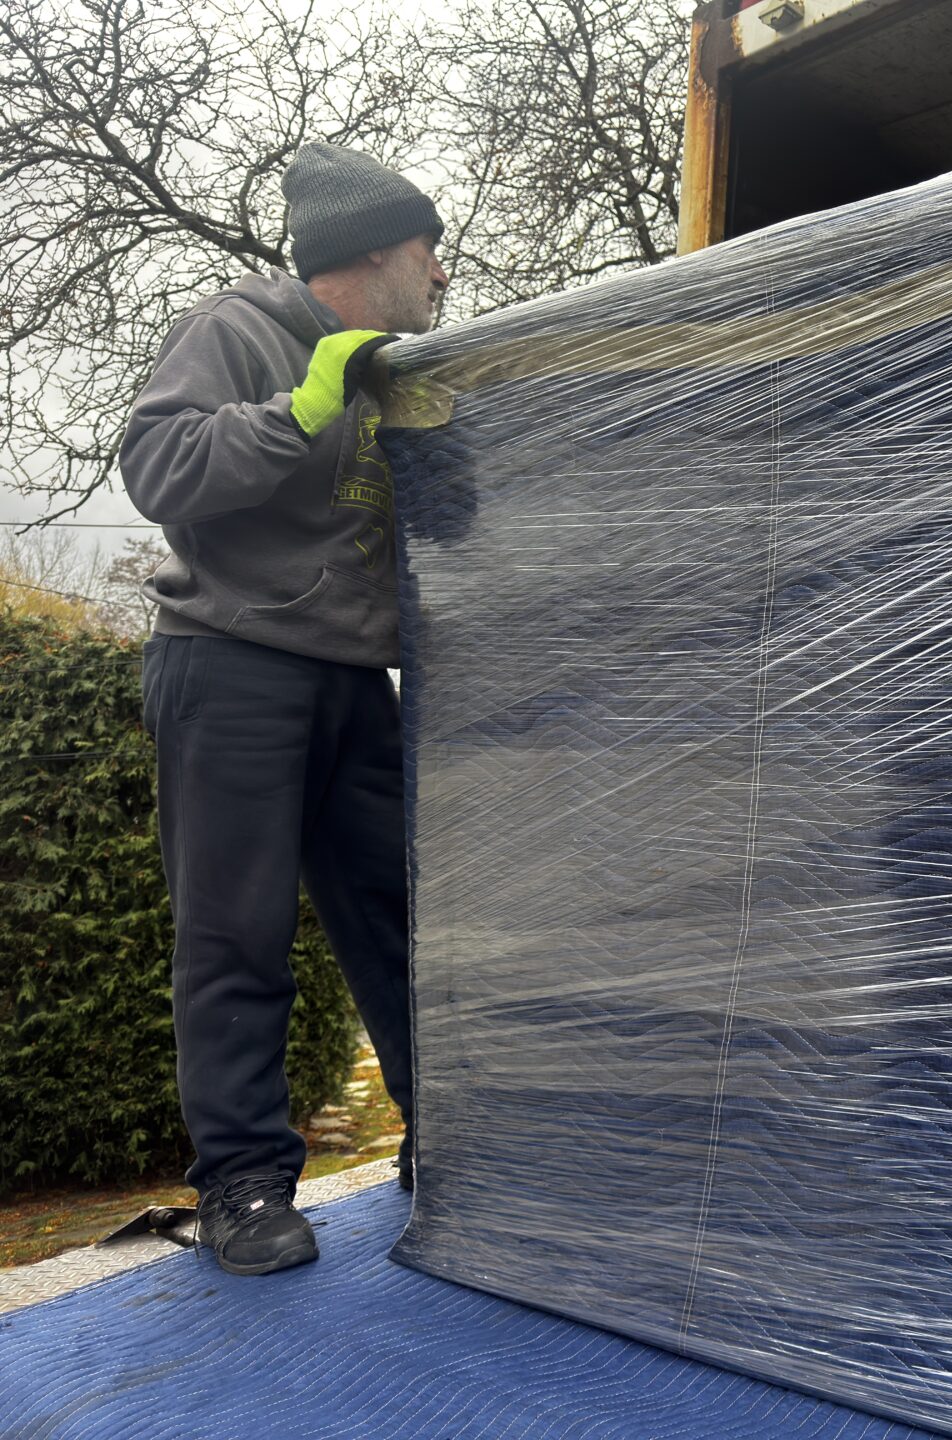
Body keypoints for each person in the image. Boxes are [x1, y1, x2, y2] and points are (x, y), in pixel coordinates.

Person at [119, 143, 448, 1276]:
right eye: (428, 250)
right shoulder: (238, 331)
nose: (442, 275)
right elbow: (158, 467)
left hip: (352, 677)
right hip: (231, 662)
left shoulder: (405, 369)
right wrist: (303, 407)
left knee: (408, 923)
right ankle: (244, 1188)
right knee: (236, 933)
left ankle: (449, 1142)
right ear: (370, 250)